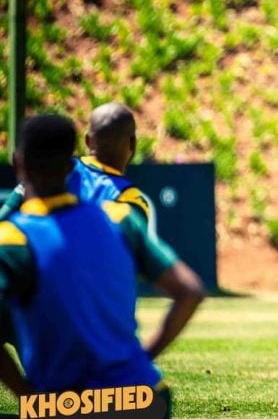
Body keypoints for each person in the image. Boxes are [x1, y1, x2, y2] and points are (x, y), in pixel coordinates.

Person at [0, 115, 205, 416]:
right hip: (147, 398)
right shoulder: (120, 217)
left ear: (18, 164)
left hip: (70, 407)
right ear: (71, 166)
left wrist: (28, 398)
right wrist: (144, 359)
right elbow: (191, 291)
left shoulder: (14, 239)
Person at [0, 102, 152, 224]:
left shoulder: (56, 170)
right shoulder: (130, 198)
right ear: (133, 144)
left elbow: (5, 215)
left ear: (87, 141)